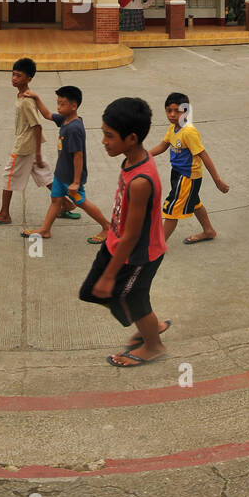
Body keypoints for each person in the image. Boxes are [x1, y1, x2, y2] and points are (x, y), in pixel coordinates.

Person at [85, 96, 170, 367]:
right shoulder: (132, 159)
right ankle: (151, 324)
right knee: (90, 291)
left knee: (133, 299)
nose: (104, 141)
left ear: (131, 138)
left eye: (109, 136)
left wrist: (110, 276)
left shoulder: (141, 180)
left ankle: (153, 345)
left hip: (138, 255)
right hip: (115, 243)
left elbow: (133, 235)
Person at [150, 93, 229, 244]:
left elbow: (204, 155)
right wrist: (145, 155)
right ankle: (208, 231)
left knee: (171, 209)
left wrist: (217, 180)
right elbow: (163, 145)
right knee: (194, 202)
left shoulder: (189, 132)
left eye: (177, 111)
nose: (172, 115)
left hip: (187, 176)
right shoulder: (173, 128)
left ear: (186, 111)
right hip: (178, 173)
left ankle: (157, 245)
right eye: (168, 110)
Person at [0, 57, 50, 226]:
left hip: (24, 146)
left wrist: (39, 154)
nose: (14, 78)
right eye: (13, 74)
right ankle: (66, 204)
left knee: (8, 175)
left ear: (29, 79)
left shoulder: (26, 100)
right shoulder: (22, 95)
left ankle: (4, 214)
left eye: (18, 76)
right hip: (30, 145)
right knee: (45, 176)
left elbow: (37, 126)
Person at [23, 85, 90, 243]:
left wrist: (75, 181)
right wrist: (36, 97)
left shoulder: (74, 128)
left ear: (74, 106)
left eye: (62, 104)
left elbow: (78, 156)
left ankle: (106, 225)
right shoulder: (65, 119)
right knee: (55, 201)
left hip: (71, 177)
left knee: (82, 202)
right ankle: (45, 230)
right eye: (58, 103)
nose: (58, 107)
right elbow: (46, 114)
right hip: (61, 174)